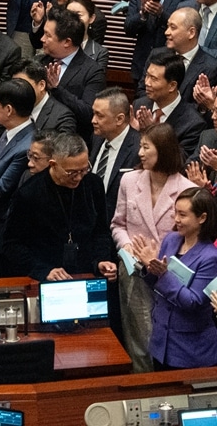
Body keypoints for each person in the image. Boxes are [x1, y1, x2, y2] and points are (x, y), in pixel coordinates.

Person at [111, 123, 190, 372]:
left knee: (167, 338)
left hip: (169, 274)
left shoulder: (187, 189)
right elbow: (117, 224)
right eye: (141, 147)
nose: (140, 153)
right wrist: (127, 246)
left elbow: (190, 238)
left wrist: (157, 257)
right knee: (138, 339)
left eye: (146, 147)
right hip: (134, 271)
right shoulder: (129, 180)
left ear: (164, 150)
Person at [0, 133, 117, 282]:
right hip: (48, 276)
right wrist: (43, 270)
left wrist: (102, 260)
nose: (79, 177)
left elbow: (101, 232)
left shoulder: (93, 184)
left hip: (87, 273)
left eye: (84, 169)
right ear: (53, 164)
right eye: (71, 172)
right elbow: (12, 245)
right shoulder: (29, 193)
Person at [131, 187, 217, 369]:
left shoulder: (210, 257)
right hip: (161, 343)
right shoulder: (171, 240)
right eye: (175, 213)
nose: (176, 219)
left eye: (183, 215)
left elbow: (193, 302)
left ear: (202, 218)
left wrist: (163, 274)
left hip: (191, 350)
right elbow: (157, 286)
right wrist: (148, 267)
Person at [42, 5, 107, 142]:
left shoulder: (92, 71)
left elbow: (89, 113)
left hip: (68, 141)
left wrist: (57, 89)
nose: (42, 39)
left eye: (48, 35)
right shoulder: (41, 62)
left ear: (67, 42)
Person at [132, 49, 206, 161]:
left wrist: (153, 133)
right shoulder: (140, 105)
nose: (147, 83)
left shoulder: (193, 123)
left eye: (154, 79)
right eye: (147, 76)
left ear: (172, 86)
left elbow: (180, 162)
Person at [91, 87, 142, 218]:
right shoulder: (96, 137)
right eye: (93, 113)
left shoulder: (139, 148)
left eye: (99, 115)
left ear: (119, 119)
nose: (93, 120)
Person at [66, 0, 110, 71]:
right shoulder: (55, 44)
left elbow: (96, 80)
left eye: (78, 15)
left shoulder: (99, 53)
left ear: (91, 18)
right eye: (68, 15)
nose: (73, 20)